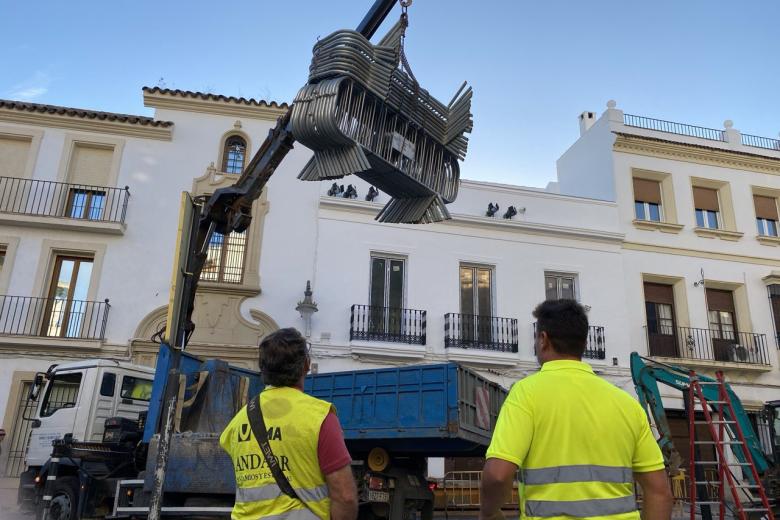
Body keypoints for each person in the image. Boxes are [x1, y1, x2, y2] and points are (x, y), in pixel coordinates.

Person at [480, 300, 673, 520]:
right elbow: (659, 492)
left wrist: (489, 513)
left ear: (543, 339)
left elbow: (497, 475)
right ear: (583, 342)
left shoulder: (526, 394)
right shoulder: (626, 403)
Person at [220, 328, 358, 520]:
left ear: (263, 369)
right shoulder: (319, 417)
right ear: (306, 365)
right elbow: (345, 497)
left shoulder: (237, 423)